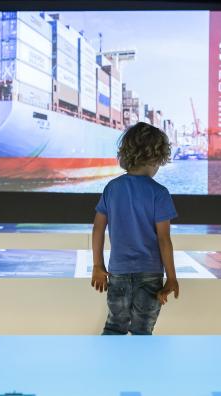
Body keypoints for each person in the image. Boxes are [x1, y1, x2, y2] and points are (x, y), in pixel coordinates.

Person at [91, 122, 179, 335]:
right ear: (157, 158)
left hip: (118, 272)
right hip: (150, 274)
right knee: (143, 332)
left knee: (114, 327)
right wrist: (172, 277)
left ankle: (105, 367)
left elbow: (98, 229)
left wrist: (97, 265)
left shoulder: (112, 188)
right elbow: (164, 239)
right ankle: (141, 368)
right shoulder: (160, 193)